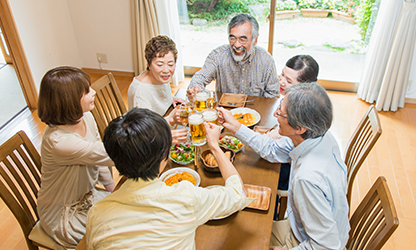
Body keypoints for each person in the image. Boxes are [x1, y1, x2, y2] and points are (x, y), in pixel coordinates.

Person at [86, 108, 254, 249]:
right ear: (163, 157)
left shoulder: (96, 213)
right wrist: (215, 147)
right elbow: (239, 193)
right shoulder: (185, 197)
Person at [219, 83, 350, 249]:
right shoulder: (317, 136)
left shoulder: (307, 178)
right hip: (307, 226)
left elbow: (327, 246)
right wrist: (235, 126)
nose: (275, 114)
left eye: (280, 112)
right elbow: (271, 149)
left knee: (237, 238)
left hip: (307, 241)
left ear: (299, 128)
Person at [37, 66, 115, 249]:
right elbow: (108, 154)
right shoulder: (59, 142)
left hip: (90, 195)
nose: (93, 92)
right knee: (113, 239)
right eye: (87, 91)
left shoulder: (85, 116)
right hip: (64, 214)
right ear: (69, 101)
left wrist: (111, 188)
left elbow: (98, 153)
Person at [187, 13, 279, 98]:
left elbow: (273, 95)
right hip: (224, 111)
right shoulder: (218, 55)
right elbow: (200, 77)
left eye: (243, 39)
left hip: (254, 113)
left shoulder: (266, 60)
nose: (237, 45)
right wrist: (195, 89)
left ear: (255, 40)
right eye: (232, 38)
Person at [266, 55, 319, 193]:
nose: (282, 82)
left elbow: (277, 149)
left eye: (288, 81)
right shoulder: (298, 98)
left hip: (293, 174)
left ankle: (275, 208)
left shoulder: (303, 113)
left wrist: (270, 137)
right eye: (282, 75)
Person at [128, 35, 187, 144]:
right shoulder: (141, 92)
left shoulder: (159, 77)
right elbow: (145, 132)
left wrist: (170, 98)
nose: (166, 70)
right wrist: (171, 119)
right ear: (148, 64)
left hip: (162, 127)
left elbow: (157, 94)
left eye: (170, 64)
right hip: (150, 142)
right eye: (160, 64)